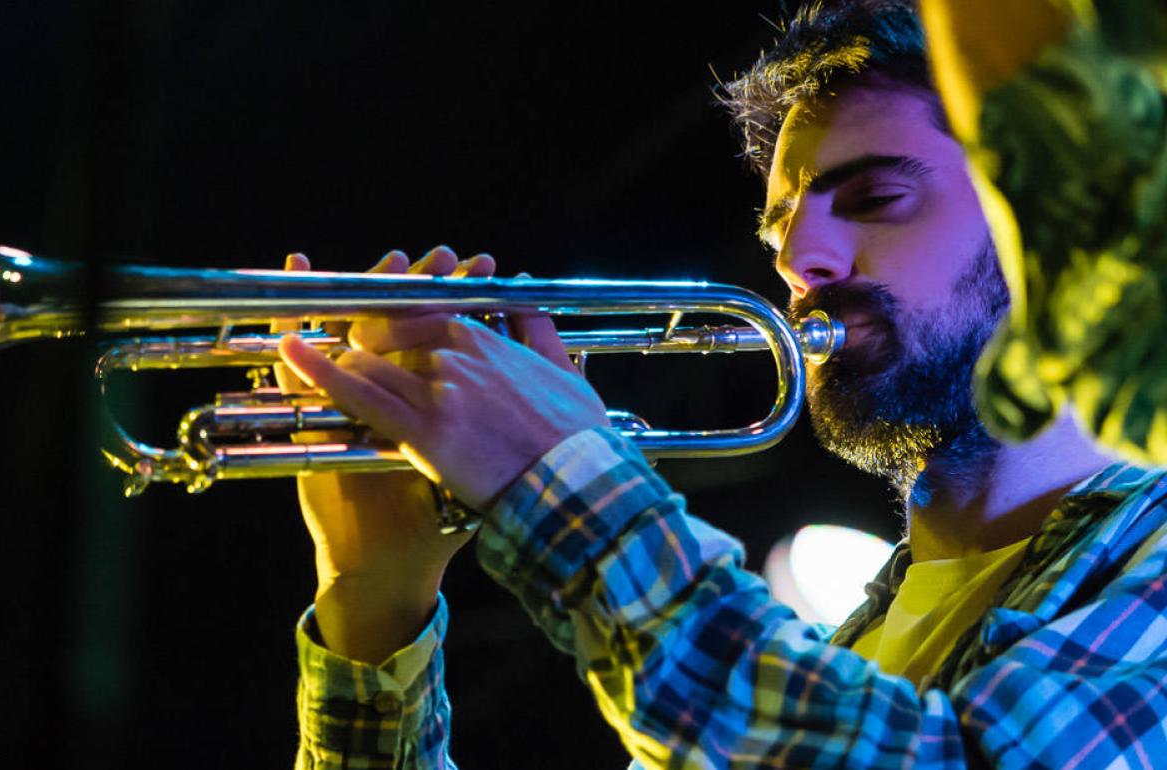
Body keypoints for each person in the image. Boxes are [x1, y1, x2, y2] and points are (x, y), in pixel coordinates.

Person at [279, 1, 1167, 767]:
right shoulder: (824, 666)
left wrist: (559, 480)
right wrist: (376, 606)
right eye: (782, 228)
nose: (798, 260)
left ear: (1045, 222)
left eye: (873, 199)